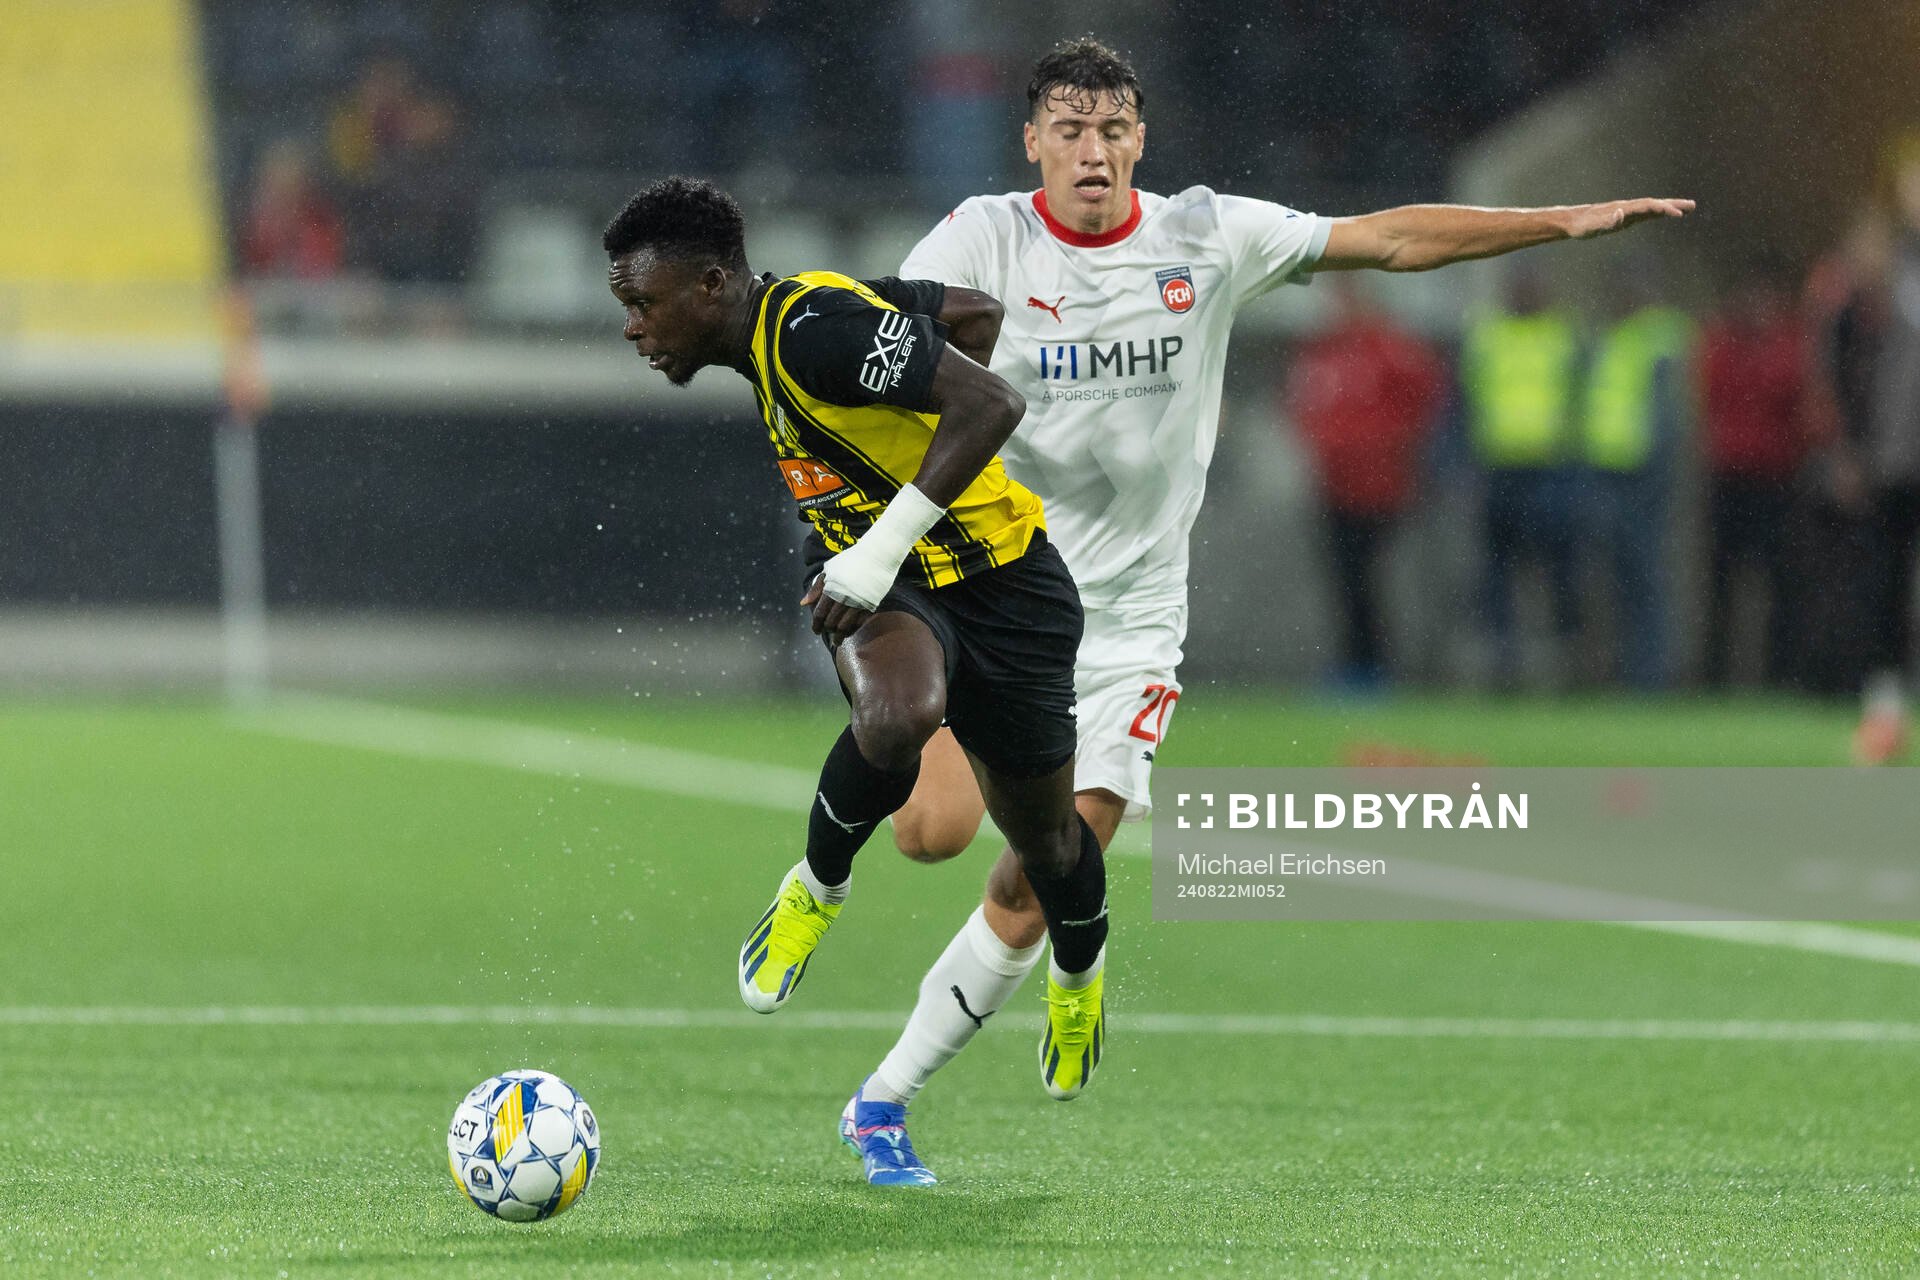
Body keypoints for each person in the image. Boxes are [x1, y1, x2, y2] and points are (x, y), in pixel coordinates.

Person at [845, 36, 1692, 1185]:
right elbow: (875, 361)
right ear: (1031, 139)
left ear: (1139, 138)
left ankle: (883, 1099)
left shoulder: (1206, 232)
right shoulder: (975, 240)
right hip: (992, 592)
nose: (1091, 153)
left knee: (1044, 876)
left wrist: (1558, 220)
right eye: (1069, 130)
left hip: (1133, 619)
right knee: (929, 832)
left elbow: (1389, 238)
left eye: (1112, 131)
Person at [602, 177, 1110, 1186]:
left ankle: (1080, 974)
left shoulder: (809, 334)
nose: (633, 328)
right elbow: (970, 314)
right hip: (879, 583)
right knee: (900, 712)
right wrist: (873, 556)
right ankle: (813, 889)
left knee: (1048, 840)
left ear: (710, 286)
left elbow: (993, 396)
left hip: (1006, 589)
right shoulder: (786, 327)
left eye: (643, 303)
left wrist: (881, 543)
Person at [1283, 274, 1446, 689]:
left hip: (1381, 490)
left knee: (1369, 580)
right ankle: (1357, 665)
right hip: (1333, 488)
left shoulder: (1390, 350)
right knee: (1344, 581)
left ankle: (1376, 667)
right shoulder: (1322, 354)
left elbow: (1425, 404)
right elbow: (1303, 409)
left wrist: (1387, 451)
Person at [1461, 264, 1584, 689]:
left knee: (1559, 574)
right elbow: (1463, 404)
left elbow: (1583, 403)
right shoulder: (1487, 335)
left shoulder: (1564, 335)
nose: (1526, 292)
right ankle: (1504, 665)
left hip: (1551, 472)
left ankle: (1566, 667)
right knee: (1497, 575)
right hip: (1498, 472)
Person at [1578, 263, 1693, 691]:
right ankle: (1627, 673)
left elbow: (1667, 417)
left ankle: (1649, 676)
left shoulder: (1659, 335)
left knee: (1646, 579)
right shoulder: (1616, 337)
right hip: (1610, 474)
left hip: (1643, 479)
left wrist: (1656, 477)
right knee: (1621, 579)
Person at [1697, 259, 1811, 689]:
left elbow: (1790, 393)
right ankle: (1716, 678)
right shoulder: (1720, 342)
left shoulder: (1788, 342)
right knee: (1722, 584)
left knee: (1780, 583)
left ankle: (1779, 676)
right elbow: (1715, 392)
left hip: (1775, 479)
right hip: (1729, 477)